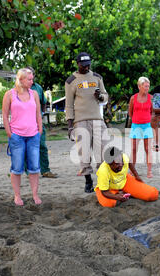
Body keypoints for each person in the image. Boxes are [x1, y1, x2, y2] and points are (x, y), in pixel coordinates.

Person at [65, 52, 110, 193]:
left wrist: (100, 97)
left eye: (88, 65)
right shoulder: (71, 80)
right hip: (80, 121)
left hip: (97, 119)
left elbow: (106, 95)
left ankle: (102, 179)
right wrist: (70, 125)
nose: (86, 67)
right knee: (84, 152)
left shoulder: (97, 77)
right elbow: (69, 104)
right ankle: (88, 180)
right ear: (78, 64)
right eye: (83, 65)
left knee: (103, 150)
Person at [2, 68, 43, 206]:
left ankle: (35, 195)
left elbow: (38, 113)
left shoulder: (35, 94)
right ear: (21, 80)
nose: (32, 81)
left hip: (33, 135)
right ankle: (17, 196)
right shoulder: (9, 95)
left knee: (34, 167)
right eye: (29, 79)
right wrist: (9, 133)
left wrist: (40, 130)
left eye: (32, 79)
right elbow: (5, 115)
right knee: (17, 167)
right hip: (17, 136)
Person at [26, 66, 58, 178]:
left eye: (31, 75)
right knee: (26, 147)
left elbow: (44, 102)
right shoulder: (17, 89)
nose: (30, 77)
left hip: (37, 122)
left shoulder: (38, 88)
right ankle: (27, 171)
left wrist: (42, 113)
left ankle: (45, 170)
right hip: (24, 123)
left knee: (42, 146)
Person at [128, 77, 153, 178]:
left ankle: (149, 171)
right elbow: (130, 112)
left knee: (148, 149)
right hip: (135, 126)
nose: (147, 88)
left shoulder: (151, 98)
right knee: (134, 149)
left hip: (147, 126)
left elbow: (151, 112)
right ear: (139, 86)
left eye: (148, 86)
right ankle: (131, 170)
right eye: (145, 86)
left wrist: (145, 119)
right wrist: (136, 119)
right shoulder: (133, 98)